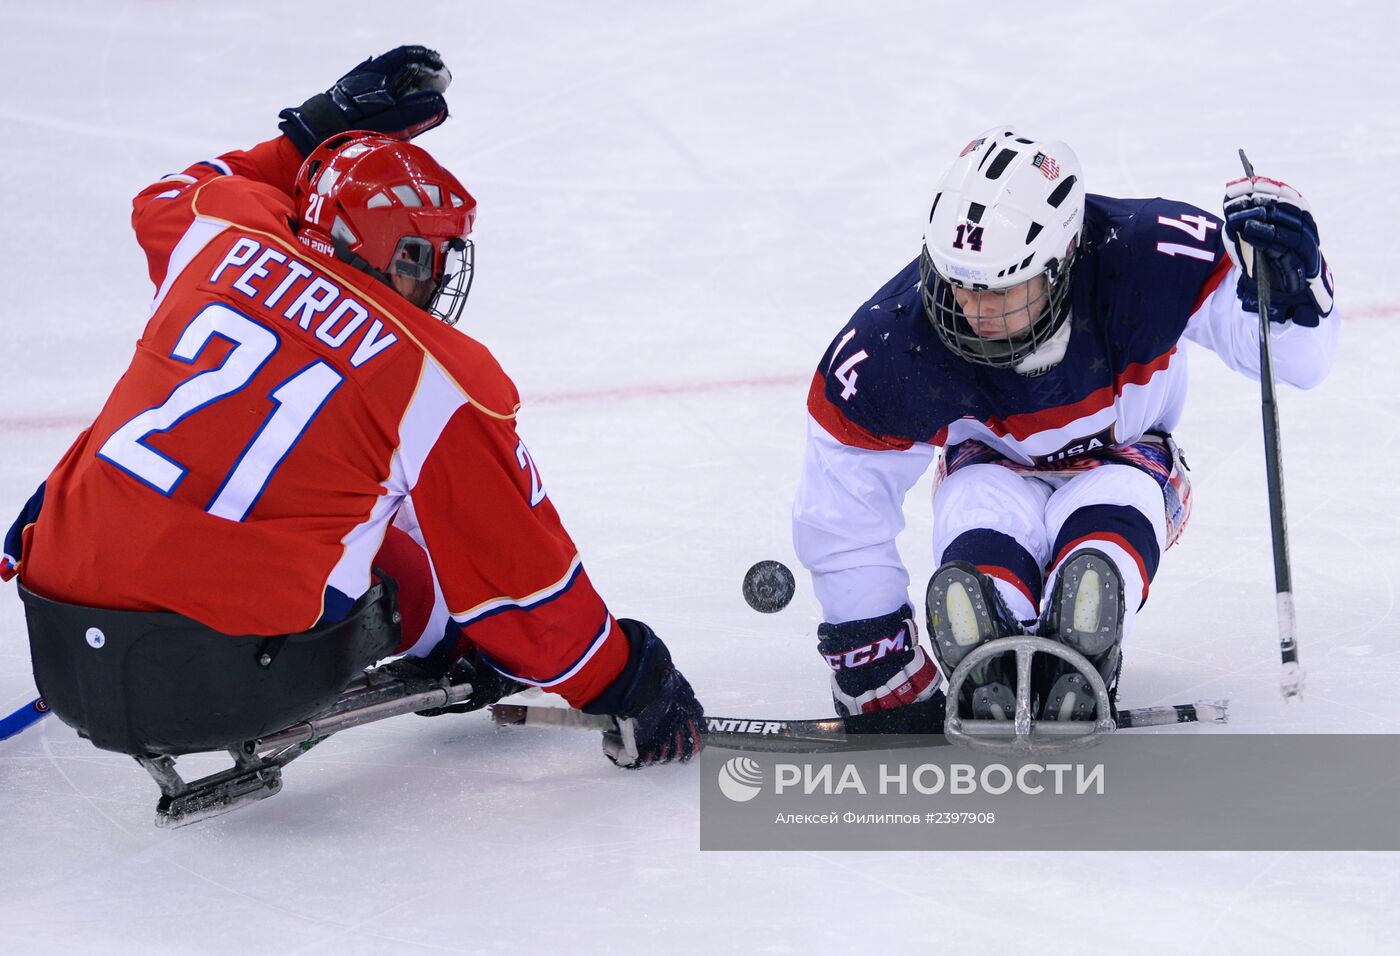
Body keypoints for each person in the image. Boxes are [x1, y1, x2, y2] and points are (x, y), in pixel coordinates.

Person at [2, 46, 703, 769]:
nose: (432, 278)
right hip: (214, 681)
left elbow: (178, 188)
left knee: (164, 446)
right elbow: (522, 585)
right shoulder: (436, 376)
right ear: (368, 244)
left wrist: (315, 129)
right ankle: (452, 645)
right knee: (409, 518)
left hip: (56, 630)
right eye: (417, 255)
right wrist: (625, 680)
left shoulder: (221, 230)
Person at [793, 126, 1337, 726]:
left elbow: (1299, 364)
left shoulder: (1151, 257)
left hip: (1127, 458)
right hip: (989, 467)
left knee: (1118, 504)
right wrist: (873, 657)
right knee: (976, 503)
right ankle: (992, 653)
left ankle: (1078, 654)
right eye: (958, 283)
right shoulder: (891, 342)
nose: (971, 310)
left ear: (1063, 259)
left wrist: (1295, 291)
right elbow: (842, 505)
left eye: (1001, 288)